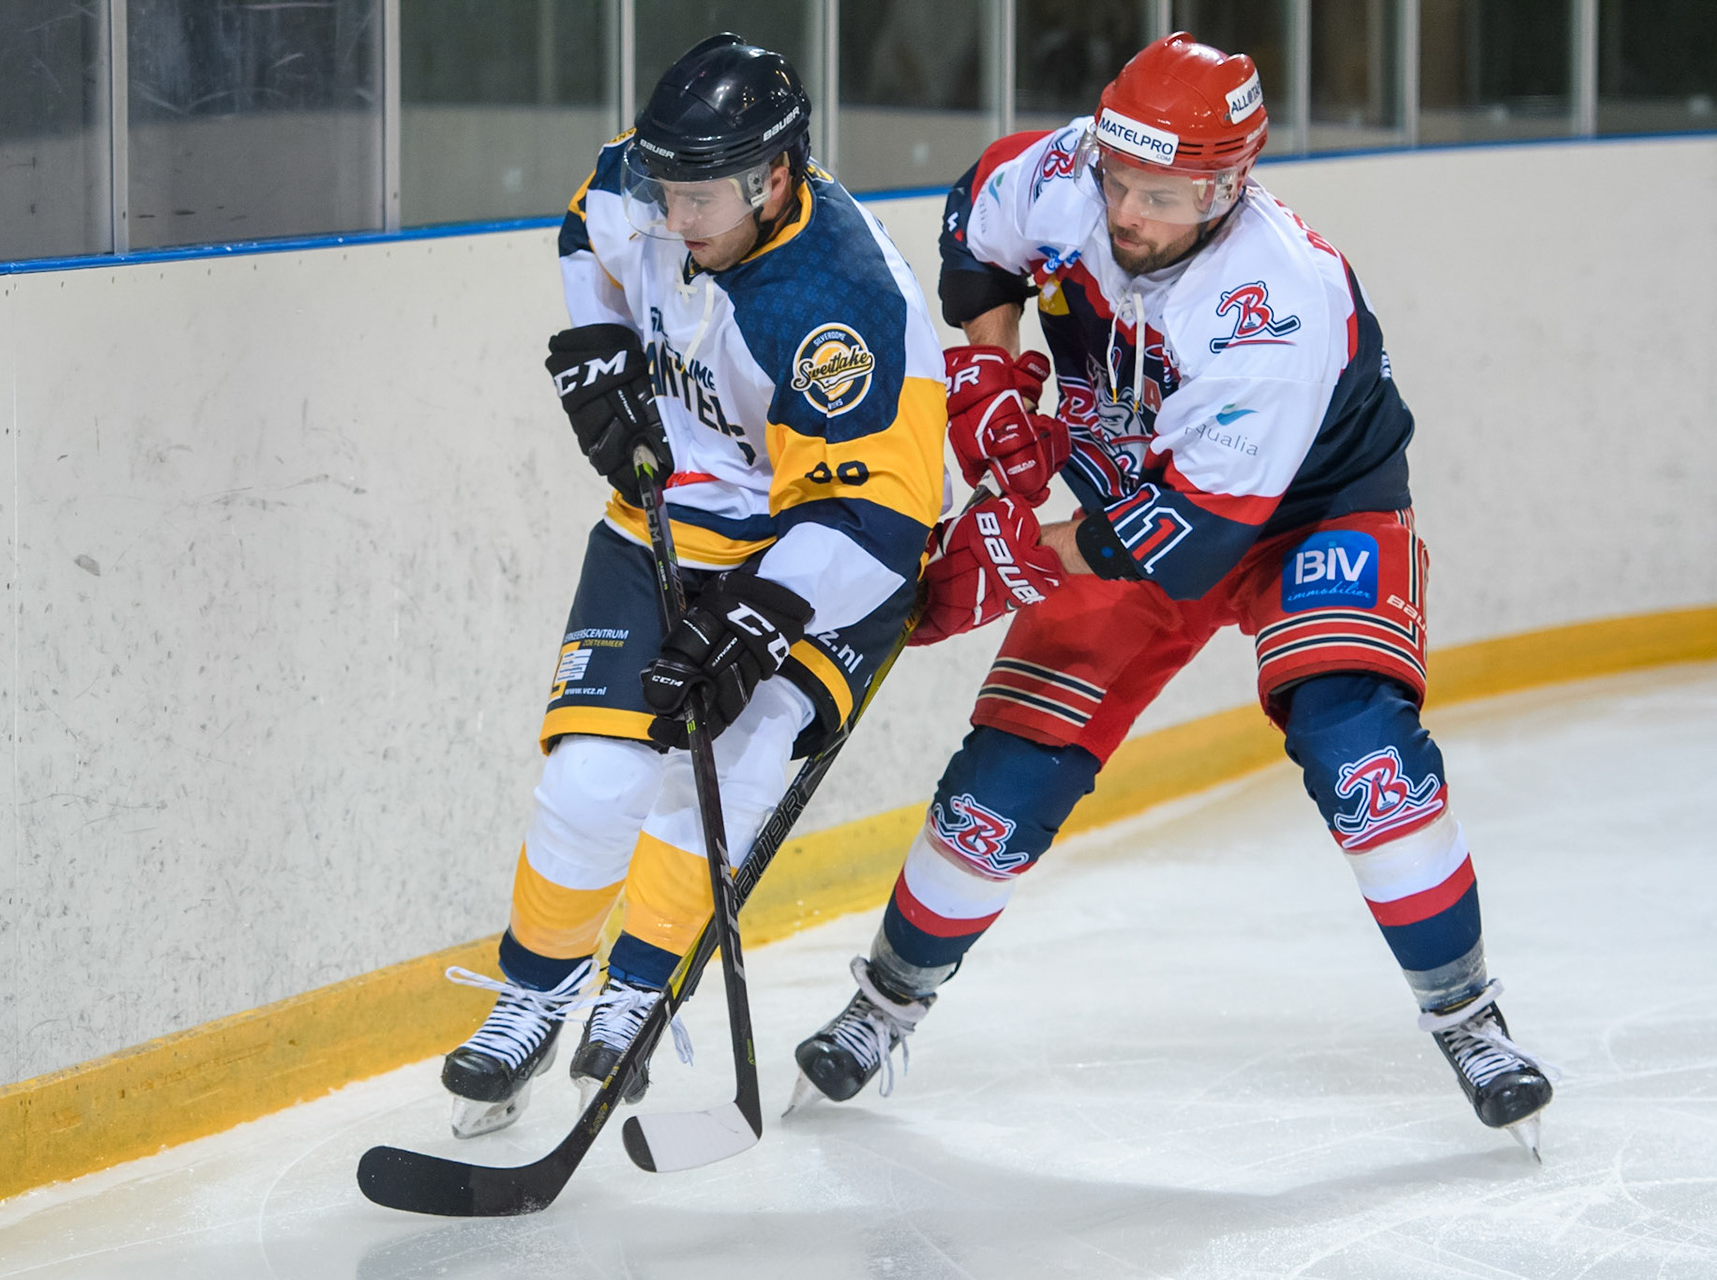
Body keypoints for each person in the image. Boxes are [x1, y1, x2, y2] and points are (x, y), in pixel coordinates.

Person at [791, 32, 1555, 1153]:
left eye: (1162, 196)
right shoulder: (1075, 170)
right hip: (1134, 501)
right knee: (1009, 770)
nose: (1127, 213)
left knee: (1360, 750)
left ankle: (1466, 1014)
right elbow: (976, 224)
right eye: (1118, 181)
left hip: (1309, 511)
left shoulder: (1274, 304)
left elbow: (1184, 540)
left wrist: (1009, 556)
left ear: (1229, 187)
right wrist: (993, 366)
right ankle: (885, 1003)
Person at [439, 33, 947, 1138]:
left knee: (733, 755)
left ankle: (637, 987)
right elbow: (587, 226)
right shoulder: (650, 179)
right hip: (669, 521)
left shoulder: (842, 305)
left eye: (700, 200)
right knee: (590, 778)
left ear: (775, 177)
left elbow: (884, 516)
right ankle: (535, 992)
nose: (674, 219)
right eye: (666, 191)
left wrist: (760, 619)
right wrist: (600, 345)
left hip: (825, 552)